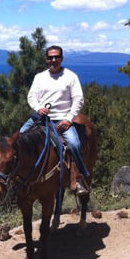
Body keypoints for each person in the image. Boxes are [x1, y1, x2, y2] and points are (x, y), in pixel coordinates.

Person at [20, 45, 90, 195]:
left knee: (74, 143)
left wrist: (69, 119)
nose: (54, 60)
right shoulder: (40, 77)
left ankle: (79, 177)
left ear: (61, 58)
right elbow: (31, 96)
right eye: (51, 57)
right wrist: (39, 108)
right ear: (47, 59)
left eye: (57, 57)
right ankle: (19, 177)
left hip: (62, 119)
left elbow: (78, 99)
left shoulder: (71, 76)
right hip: (41, 117)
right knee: (20, 137)